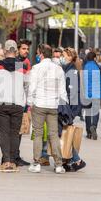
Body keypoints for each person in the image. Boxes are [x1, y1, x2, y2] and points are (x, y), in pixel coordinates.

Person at [27, 44, 67, 174]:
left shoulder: (36, 68)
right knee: (53, 135)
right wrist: (63, 104)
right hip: (53, 105)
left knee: (38, 134)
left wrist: (29, 102)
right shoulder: (59, 69)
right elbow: (62, 91)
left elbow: (32, 87)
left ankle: (36, 163)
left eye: (38, 53)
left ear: (41, 54)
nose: (38, 55)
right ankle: (59, 164)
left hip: (39, 104)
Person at [0, 40, 29, 172]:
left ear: (5, 51)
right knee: (14, 133)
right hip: (17, 104)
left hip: (1, 103)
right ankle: (13, 162)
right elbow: (26, 85)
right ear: (16, 51)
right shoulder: (22, 66)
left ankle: (6, 161)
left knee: (4, 133)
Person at [61, 48, 86, 172]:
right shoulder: (69, 69)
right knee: (65, 134)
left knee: (65, 134)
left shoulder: (72, 71)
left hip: (69, 108)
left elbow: (73, 93)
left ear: (70, 57)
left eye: (64, 55)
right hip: (68, 107)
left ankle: (76, 160)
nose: (62, 57)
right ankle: (69, 160)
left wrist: (70, 112)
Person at [11, 39, 33, 166]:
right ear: (18, 49)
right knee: (15, 130)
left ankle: (16, 155)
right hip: (16, 100)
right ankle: (13, 156)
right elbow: (19, 82)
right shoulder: (18, 62)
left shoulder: (26, 62)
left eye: (27, 49)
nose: (26, 51)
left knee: (19, 130)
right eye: (24, 49)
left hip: (22, 100)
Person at [82, 51, 101, 140]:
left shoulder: (84, 67)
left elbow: (82, 82)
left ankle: (89, 132)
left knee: (88, 113)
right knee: (95, 112)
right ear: (94, 58)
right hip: (97, 93)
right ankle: (94, 126)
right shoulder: (100, 68)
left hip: (87, 94)